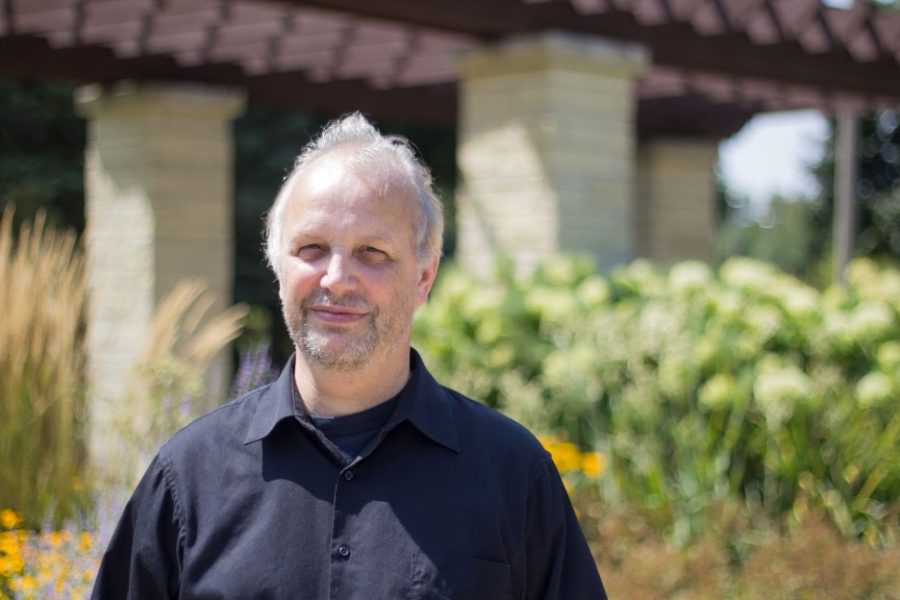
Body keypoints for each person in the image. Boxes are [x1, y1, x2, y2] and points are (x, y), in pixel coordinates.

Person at [92, 113, 607, 599]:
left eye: (372, 253)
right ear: (278, 266)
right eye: (311, 248)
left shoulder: (513, 475)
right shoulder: (189, 476)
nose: (336, 279)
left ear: (423, 277)